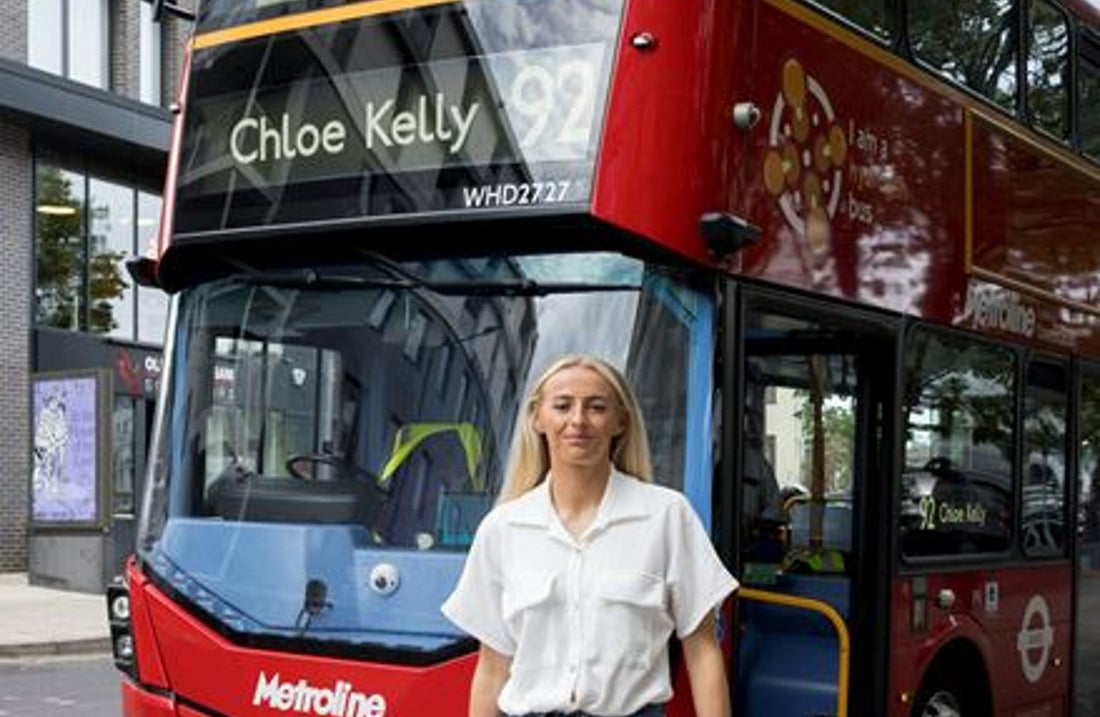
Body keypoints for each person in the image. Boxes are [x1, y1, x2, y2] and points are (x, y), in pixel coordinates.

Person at [442, 355, 738, 717]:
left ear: (620, 421)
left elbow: (703, 652)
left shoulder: (667, 516)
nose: (578, 420)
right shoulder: (503, 529)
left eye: (596, 407)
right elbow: (491, 672)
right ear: (538, 418)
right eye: (563, 406)